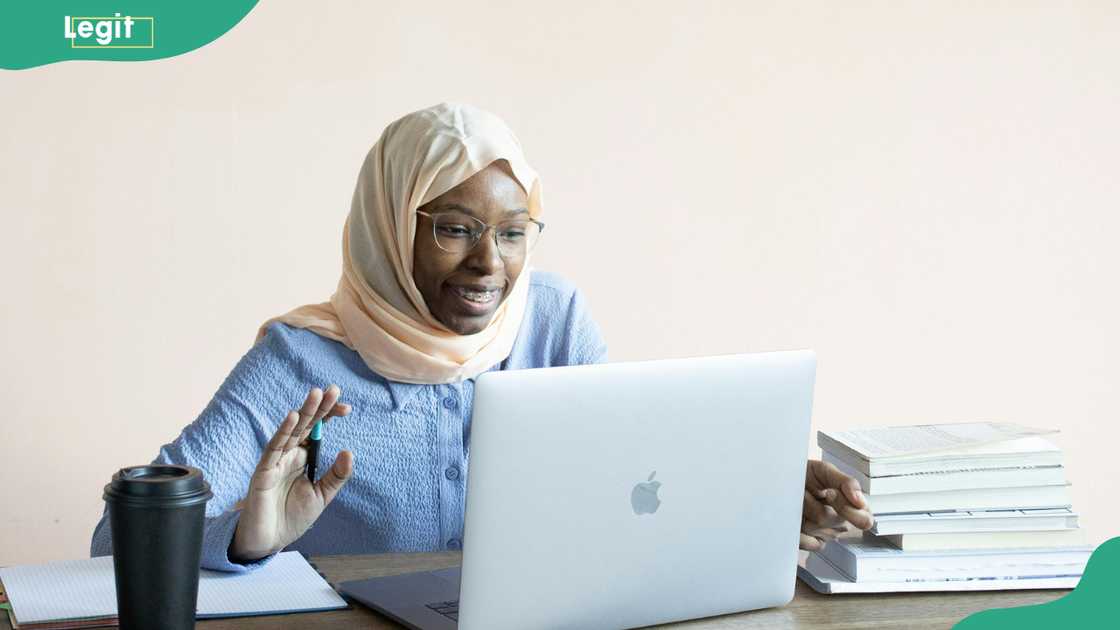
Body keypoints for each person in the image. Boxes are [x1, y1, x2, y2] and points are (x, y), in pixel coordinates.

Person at [90, 103, 872, 571]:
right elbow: (111, 546)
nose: (489, 264)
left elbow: (636, 480)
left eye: (512, 231)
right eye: (456, 229)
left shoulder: (553, 317)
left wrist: (769, 506)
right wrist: (244, 538)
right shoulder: (300, 360)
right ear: (392, 227)